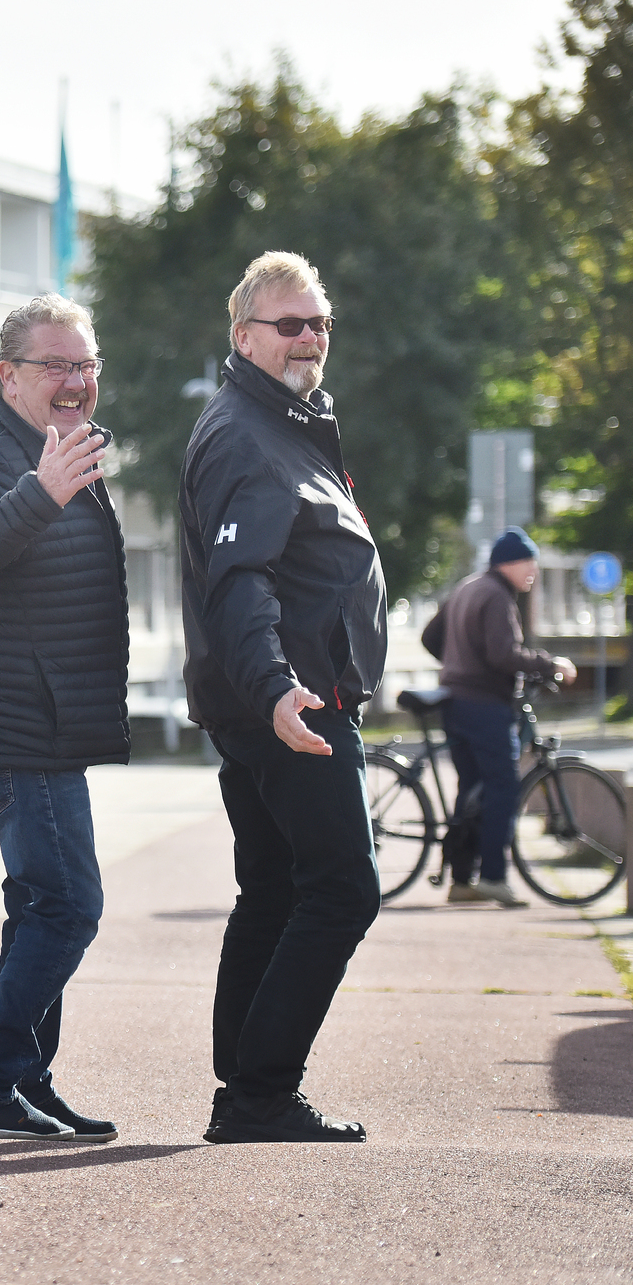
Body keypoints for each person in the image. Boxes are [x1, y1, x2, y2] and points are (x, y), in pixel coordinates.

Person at [180, 251, 386, 1145]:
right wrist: (274, 691)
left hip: (286, 696)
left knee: (270, 889)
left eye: (318, 324)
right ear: (243, 337)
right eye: (288, 324)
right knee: (342, 890)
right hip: (293, 705)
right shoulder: (246, 434)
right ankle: (260, 1093)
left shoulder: (290, 425)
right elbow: (241, 580)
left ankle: (245, 1091)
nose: (307, 338)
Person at [0, 294, 127, 1144]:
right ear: (8, 375)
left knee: (37, 907)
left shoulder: (53, 446)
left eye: (86, 364)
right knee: (69, 906)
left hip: (46, 724)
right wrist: (39, 494)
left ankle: (27, 1084)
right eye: (56, 365)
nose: (76, 380)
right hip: (14, 729)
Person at [420, 527, 576, 908]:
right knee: (503, 789)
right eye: (530, 564)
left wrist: (458, 665)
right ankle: (492, 876)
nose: (533, 573)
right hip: (485, 705)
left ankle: (461, 879)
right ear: (511, 562)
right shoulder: (496, 595)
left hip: (454, 701)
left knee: (472, 789)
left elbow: (429, 637)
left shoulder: (468, 587)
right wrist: (550, 663)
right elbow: (503, 655)